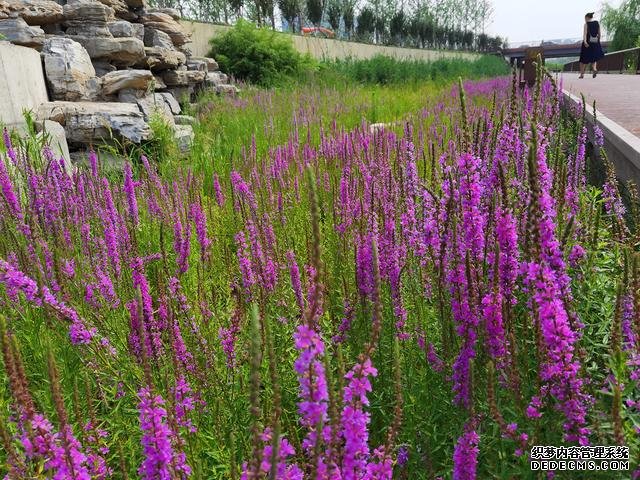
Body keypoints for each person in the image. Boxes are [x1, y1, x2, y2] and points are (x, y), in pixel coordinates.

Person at [579, 12, 605, 78]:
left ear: (587, 17)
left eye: (585, 18)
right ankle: (594, 69)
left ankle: (582, 74)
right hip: (595, 42)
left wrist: (585, 42)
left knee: (583, 60)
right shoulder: (597, 23)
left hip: (587, 43)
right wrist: (598, 41)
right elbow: (599, 34)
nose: (585, 19)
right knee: (594, 58)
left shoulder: (586, 24)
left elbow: (584, 34)